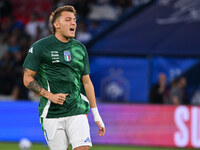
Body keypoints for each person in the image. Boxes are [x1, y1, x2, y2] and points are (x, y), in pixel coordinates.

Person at [23, 5, 105, 150]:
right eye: (68, 20)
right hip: (51, 113)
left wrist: (96, 116)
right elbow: (27, 78)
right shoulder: (40, 47)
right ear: (56, 24)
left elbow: (87, 83)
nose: (73, 23)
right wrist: (50, 96)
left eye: (74, 20)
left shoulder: (80, 48)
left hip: (77, 109)